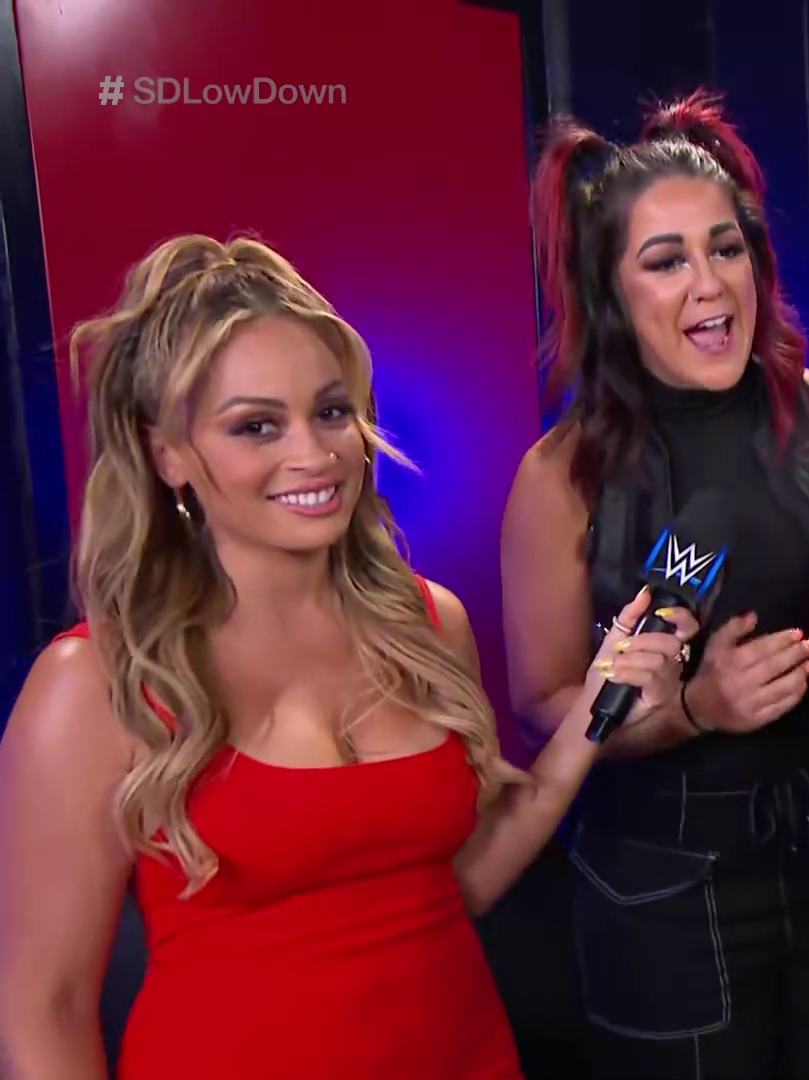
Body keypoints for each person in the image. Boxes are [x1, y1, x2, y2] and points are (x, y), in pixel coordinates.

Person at [0, 234, 694, 1079]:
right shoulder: (95, 682)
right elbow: (45, 1011)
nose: (316, 454)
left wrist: (595, 711)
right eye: (257, 425)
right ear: (166, 453)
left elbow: (451, 889)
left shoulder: (426, 623)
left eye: (331, 412)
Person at [500, 89, 809, 1080]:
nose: (708, 284)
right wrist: (691, 710)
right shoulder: (560, 478)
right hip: (667, 896)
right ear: (612, 292)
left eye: (725, 248)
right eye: (666, 261)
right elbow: (543, 701)